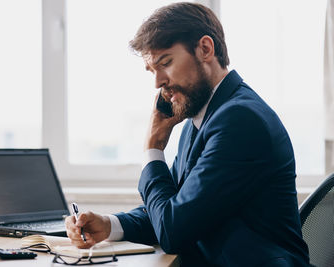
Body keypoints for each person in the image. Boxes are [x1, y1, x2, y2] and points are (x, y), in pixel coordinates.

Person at [65, 2, 310, 266]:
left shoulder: (240, 120)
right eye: (152, 70)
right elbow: (177, 208)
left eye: (166, 63)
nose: (157, 82)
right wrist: (109, 225)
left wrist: (153, 148)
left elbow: (174, 229)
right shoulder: (202, 117)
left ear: (205, 49)